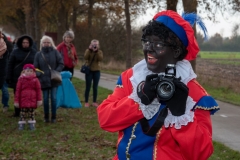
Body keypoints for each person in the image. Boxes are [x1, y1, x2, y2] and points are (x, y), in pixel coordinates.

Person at [97, 10, 220, 160]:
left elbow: (201, 153)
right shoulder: (131, 78)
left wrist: (181, 115)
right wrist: (138, 101)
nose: (149, 48)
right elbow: (105, 119)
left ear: (176, 51)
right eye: (147, 42)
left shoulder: (195, 95)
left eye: (158, 44)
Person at [34, 35, 64, 123]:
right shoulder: (38, 54)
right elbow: (35, 67)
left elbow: (61, 63)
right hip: (43, 80)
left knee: (54, 98)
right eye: (44, 42)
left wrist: (56, 71)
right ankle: (46, 116)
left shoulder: (55, 52)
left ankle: (54, 116)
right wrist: (39, 74)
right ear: (41, 44)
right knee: (46, 99)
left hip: (53, 79)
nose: (46, 44)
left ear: (51, 43)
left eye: (48, 42)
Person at [6, 34, 36, 117]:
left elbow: (36, 65)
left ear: (30, 43)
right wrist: (8, 76)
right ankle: (17, 111)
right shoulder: (15, 51)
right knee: (17, 94)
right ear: (21, 43)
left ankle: (28, 110)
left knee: (28, 95)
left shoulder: (33, 52)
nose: (25, 44)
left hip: (30, 77)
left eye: (27, 42)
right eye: (23, 42)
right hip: (17, 77)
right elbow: (10, 64)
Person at [14, 64, 42, 130]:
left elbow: (38, 90)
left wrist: (39, 100)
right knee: (22, 113)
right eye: (27, 71)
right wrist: (16, 100)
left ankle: (31, 124)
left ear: (33, 72)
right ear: (24, 71)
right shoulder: (21, 80)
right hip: (23, 99)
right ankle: (21, 124)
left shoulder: (35, 80)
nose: (29, 72)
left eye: (30, 71)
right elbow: (18, 90)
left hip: (32, 99)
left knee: (31, 113)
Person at [83, 39, 103, 107]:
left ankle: (94, 101)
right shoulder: (88, 51)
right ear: (91, 45)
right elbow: (85, 57)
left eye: (96, 45)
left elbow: (100, 59)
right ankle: (86, 102)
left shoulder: (99, 52)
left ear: (98, 45)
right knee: (88, 86)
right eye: (93, 45)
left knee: (95, 87)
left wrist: (96, 52)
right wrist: (89, 50)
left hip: (97, 71)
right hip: (89, 71)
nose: (94, 46)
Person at [0, 33, 13, 112]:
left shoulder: (7, 45)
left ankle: (5, 105)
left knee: (4, 89)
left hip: (4, 70)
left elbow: (10, 59)